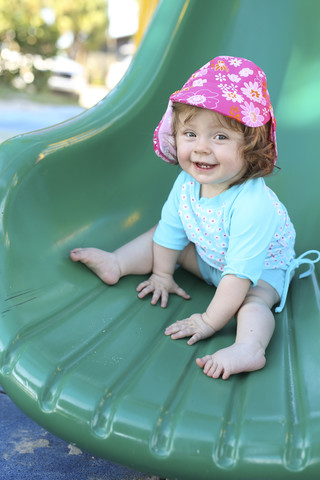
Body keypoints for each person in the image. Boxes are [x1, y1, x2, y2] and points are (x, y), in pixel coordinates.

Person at [70, 56, 319, 380]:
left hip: (257, 273)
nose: (201, 148)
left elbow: (238, 277)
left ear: (251, 146)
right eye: (190, 133)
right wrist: (161, 274)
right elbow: (172, 231)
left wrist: (208, 321)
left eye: (219, 137)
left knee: (254, 304)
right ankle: (118, 263)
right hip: (209, 256)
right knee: (161, 234)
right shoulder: (188, 183)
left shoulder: (253, 205)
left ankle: (250, 348)